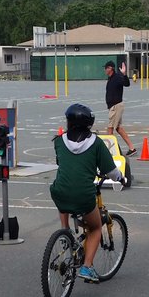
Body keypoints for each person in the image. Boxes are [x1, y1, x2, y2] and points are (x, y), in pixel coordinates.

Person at [50, 103, 123, 283]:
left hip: (59, 192)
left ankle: (65, 230)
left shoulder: (59, 141)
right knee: (96, 227)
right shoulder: (96, 143)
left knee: (63, 193)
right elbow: (111, 171)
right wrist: (120, 178)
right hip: (83, 195)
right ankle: (87, 267)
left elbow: (62, 162)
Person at [104, 59, 134, 155]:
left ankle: (109, 151)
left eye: (106, 68)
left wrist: (124, 74)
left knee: (110, 128)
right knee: (118, 128)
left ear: (110, 68)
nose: (105, 70)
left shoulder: (117, 77)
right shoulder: (110, 78)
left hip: (116, 106)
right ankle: (132, 148)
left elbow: (127, 84)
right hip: (113, 106)